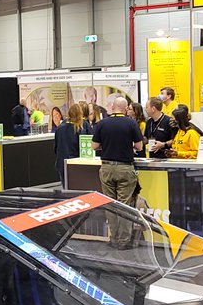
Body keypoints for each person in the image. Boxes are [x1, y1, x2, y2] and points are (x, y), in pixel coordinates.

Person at [90, 97, 144, 248]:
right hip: (125, 168)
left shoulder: (102, 123)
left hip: (106, 168)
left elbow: (94, 146)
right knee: (124, 205)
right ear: (126, 108)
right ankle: (124, 241)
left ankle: (113, 238)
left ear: (113, 107)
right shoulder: (131, 123)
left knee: (110, 204)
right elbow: (139, 146)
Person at [54, 103, 82, 187]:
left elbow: (56, 147)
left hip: (61, 163)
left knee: (65, 187)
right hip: (75, 163)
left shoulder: (60, 128)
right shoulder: (79, 129)